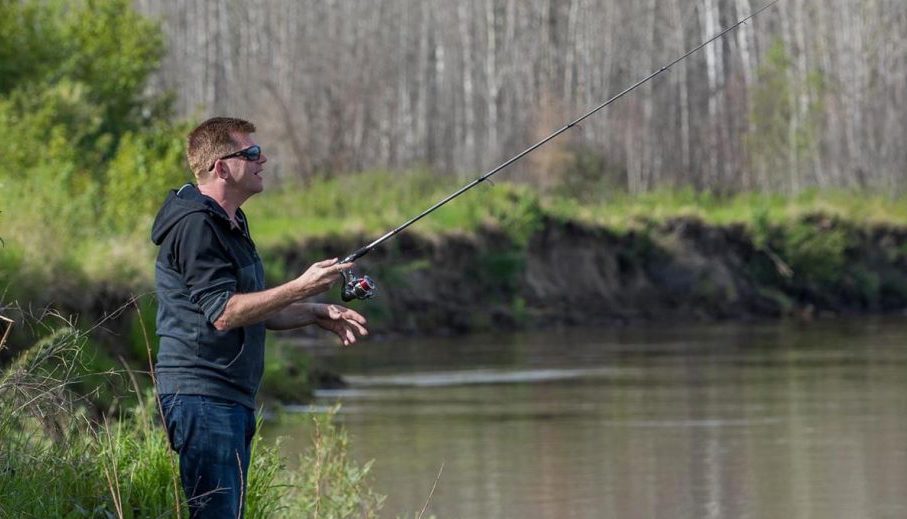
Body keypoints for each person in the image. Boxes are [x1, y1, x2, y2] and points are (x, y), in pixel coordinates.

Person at [150, 116, 367, 517]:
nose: (262, 158)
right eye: (250, 153)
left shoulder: (231, 223)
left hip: (230, 396)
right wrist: (300, 286)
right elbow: (225, 313)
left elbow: (253, 307)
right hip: (202, 394)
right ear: (221, 168)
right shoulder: (197, 226)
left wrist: (314, 311)